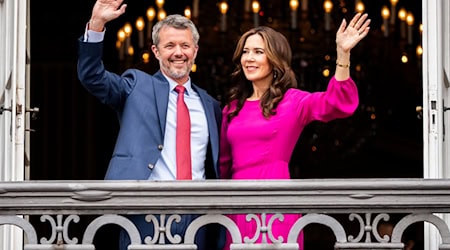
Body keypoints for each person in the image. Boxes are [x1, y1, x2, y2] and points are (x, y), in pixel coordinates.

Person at [77, 0, 222, 249]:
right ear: (156, 51)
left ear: (195, 51)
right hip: (145, 209)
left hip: (198, 214)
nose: (179, 52)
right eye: (170, 46)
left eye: (185, 45)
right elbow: (92, 76)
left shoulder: (210, 104)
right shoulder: (136, 85)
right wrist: (98, 24)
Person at [219, 13, 371, 249]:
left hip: (276, 201)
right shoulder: (232, 109)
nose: (249, 58)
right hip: (236, 205)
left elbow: (338, 103)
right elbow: (223, 165)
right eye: (246, 51)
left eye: (258, 52)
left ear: (275, 60)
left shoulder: (292, 102)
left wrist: (343, 55)